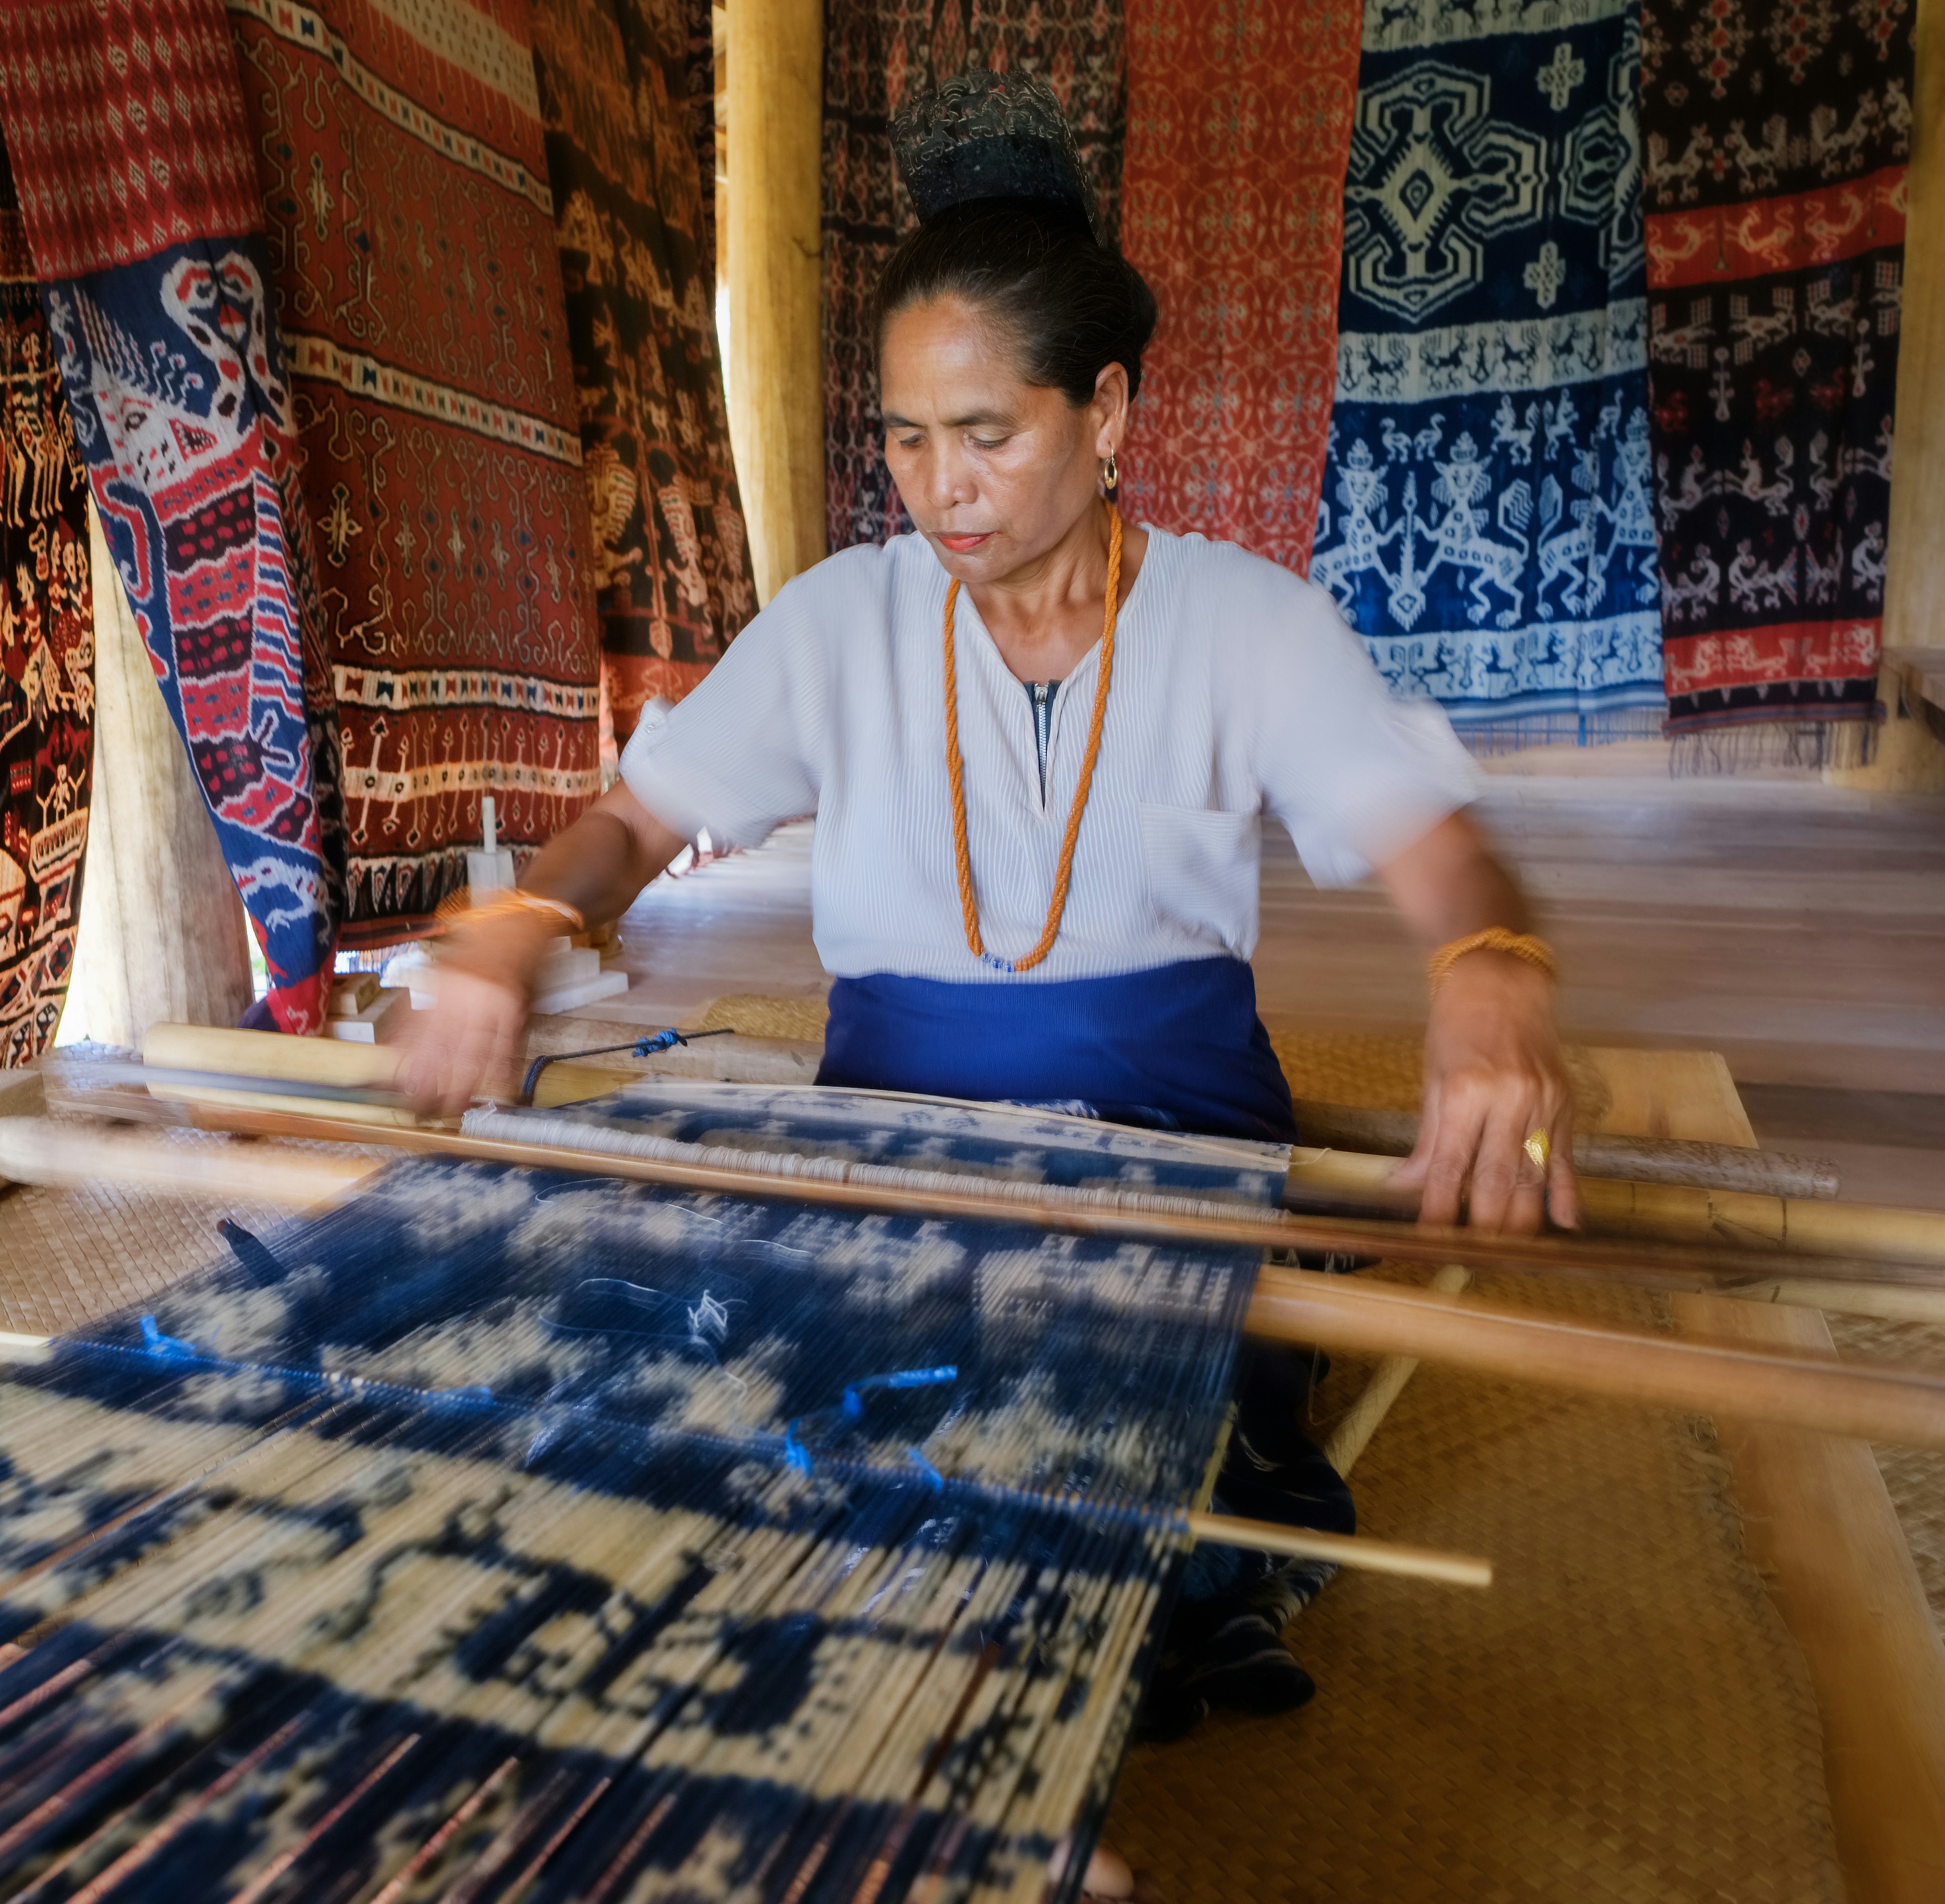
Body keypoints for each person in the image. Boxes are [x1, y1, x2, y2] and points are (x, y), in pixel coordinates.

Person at [395, 70, 1574, 1874]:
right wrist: (525, 926)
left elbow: (1436, 847)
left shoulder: (1251, 621)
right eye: (905, 438)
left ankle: (990, 1746)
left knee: (1082, 1430)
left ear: (1105, 413)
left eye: (989, 433)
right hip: (892, 1129)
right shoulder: (846, 620)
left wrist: (1489, 975)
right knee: (773, 1429)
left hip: (1172, 1139)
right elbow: (631, 826)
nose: (942, 487)